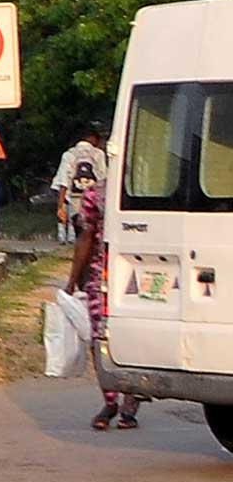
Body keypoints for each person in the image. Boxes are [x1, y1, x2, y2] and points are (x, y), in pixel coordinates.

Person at [69, 173, 139, 430]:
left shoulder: (99, 194)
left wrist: (72, 279)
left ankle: (127, 404)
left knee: (120, 338)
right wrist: (74, 278)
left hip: (129, 274)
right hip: (108, 277)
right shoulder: (100, 194)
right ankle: (113, 402)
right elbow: (86, 238)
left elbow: (84, 238)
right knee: (104, 339)